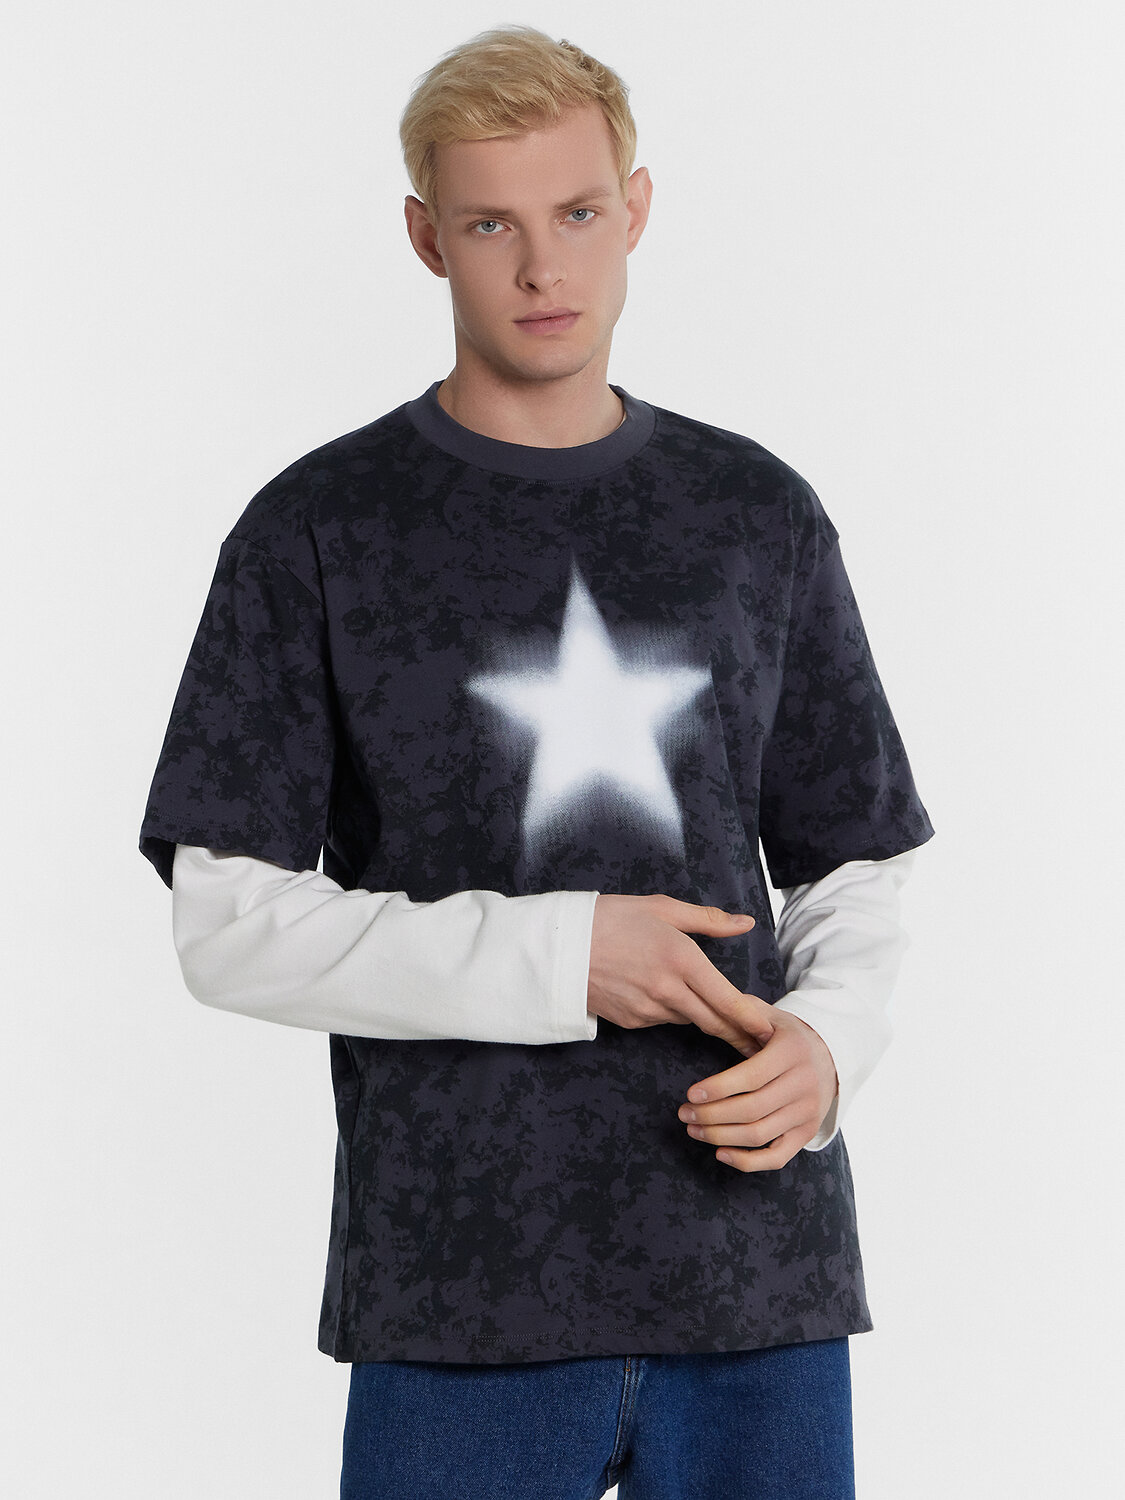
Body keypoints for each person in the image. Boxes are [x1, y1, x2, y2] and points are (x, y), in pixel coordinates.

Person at [140, 24, 934, 1500]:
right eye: (490, 223)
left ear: (636, 210)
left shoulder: (756, 513)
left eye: (575, 212)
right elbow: (226, 922)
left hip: (756, 1272)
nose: (541, 267)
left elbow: (852, 858)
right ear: (424, 238)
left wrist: (829, 1046)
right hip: (461, 1290)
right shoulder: (317, 528)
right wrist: (565, 957)